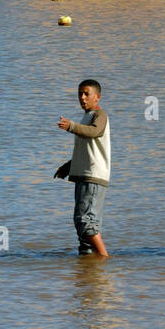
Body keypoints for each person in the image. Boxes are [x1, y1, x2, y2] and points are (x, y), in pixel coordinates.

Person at [54, 79, 110, 258]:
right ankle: (87, 268)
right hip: (82, 175)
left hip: (93, 176)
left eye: (87, 94)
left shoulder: (100, 115)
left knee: (87, 222)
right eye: (80, 93)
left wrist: (71, 126)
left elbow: (94, 131)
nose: (82, 97)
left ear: (98, 97)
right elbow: (86, 150)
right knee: (81, 226)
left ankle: (104, 259)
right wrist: (68, 167)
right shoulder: (85, 117)